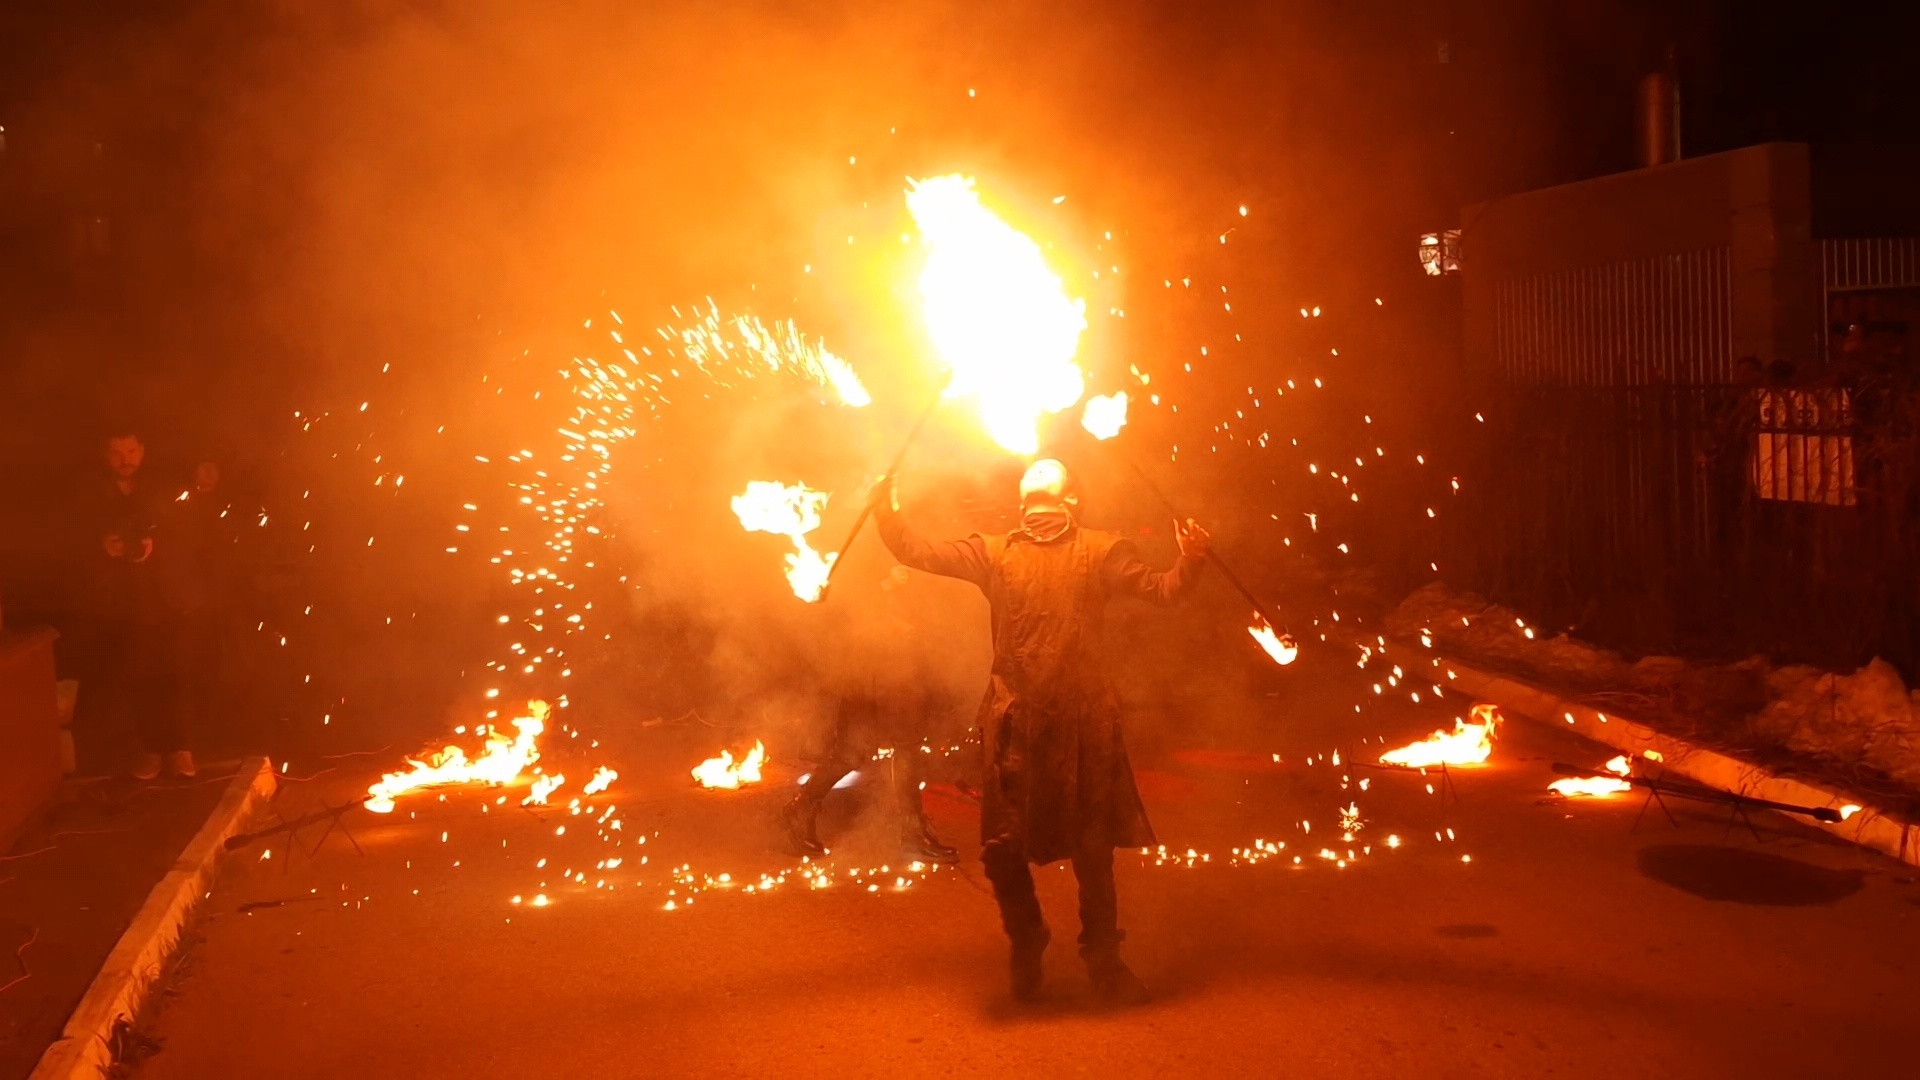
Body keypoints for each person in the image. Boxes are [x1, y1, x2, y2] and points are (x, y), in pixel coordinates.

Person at [873, 458, 1210, 1004]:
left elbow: (1164, 591)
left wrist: (1190, 560)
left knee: (1093, 853)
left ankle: (1104, 962)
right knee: (1003, 849)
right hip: (1015, 724)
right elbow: (915, 551)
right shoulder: (993, 549)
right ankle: (1027, 940)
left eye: (1050, 471)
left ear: (1070, 499)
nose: (1038, 467)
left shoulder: (1102, 550)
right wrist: (886, 510)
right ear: (1022, 497)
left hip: (1084, 724)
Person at [781, 566, 961, 865]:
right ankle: (800, 810)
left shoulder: (912, 536)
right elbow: (844, 598)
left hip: (904, 663)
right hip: (868, 661)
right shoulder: (866, 550)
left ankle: (912, 832)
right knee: (852, 752)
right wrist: (885, 584)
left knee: (907, 748)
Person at [79, 430, 188, 779]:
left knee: (172, 673)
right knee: (135, 676)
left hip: (164, 599)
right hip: (120, 604)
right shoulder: (92, 495)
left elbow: (185, 533)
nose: (125, 460)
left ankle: (180, 747)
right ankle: (151, 750)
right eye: (116, 453)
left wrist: (155, 543)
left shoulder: (161, 489)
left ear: (142, 450)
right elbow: (72, 541)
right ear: (104, 455)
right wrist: (103, 547)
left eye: (130, 451)